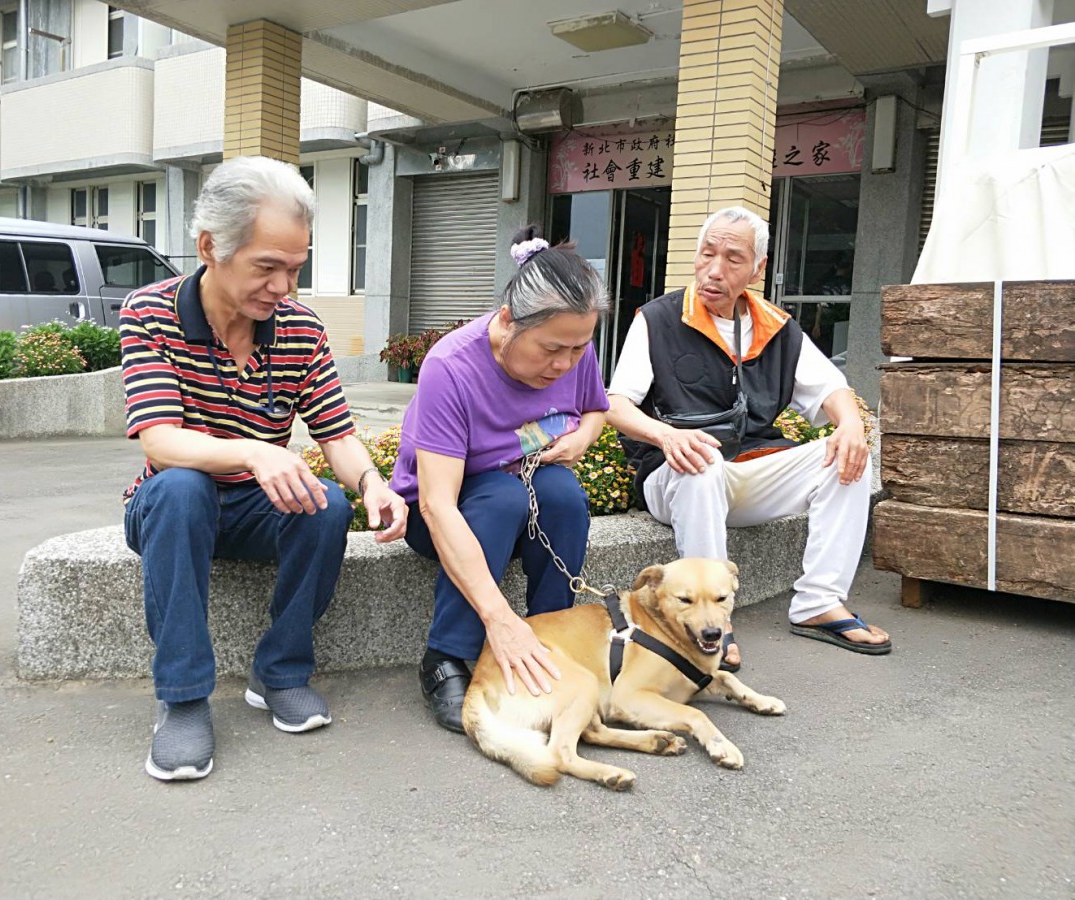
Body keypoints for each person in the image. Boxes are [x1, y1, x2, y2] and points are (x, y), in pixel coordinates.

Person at [119, 156, 408, 781]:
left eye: (295, 268)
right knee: (181, 490)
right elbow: (161, 440)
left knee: (329, 504)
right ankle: (183, 700)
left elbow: (336, 435)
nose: (283, 287)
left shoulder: (300, 329)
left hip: (253, 508)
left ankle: (279, 673)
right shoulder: (151, 312)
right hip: (171, 507)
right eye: (267, 267)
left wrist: (372, 483)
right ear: (210, 247)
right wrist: (255, 450)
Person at [606, 207, 889, 669]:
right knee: (701, 461)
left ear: (758, 268)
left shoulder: (777, 329)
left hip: (750, 471)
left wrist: (852, 426)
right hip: (675, 477)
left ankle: (819, 602)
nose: (715, 270)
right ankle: (711, 619)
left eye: (733, 259)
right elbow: (616, 403)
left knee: (848, 456)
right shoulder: (656, 319)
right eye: (707, 253)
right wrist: (667, 436)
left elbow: (832, 391)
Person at [389, 226, 611, 732]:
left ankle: (550, 636)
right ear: (508, 321)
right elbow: (437, 505)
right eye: (551, 349)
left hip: (525, 500)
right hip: (448, 517)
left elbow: (597, 408)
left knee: (563, 496)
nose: (564, 365)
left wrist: (583, 438)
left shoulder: (573, 344)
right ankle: (446, 655)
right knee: (502, 495)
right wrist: (499, 619)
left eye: (578, 351)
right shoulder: (451, 365)